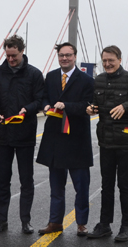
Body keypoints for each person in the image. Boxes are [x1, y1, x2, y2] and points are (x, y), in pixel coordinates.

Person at [86, 45, 128, 242]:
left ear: (119, 60)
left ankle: (126, 227)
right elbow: (93, 102)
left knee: (123, 184)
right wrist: (90, 108)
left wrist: (126, 106)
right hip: (105, 141)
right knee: (106, 185)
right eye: (104, 61)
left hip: (126, 142)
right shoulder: (98, 80)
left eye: (111, 61)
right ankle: (104, 225)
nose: (107, 64)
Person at [0, 35, 45, 234]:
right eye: (8, 55)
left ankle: (25, 221)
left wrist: (26, 109)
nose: (11, 59)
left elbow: (40, 100)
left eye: (14, 56)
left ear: (22, 51)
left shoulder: (34, 74)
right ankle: (1, 221)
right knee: (2, 180)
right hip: (4, 134)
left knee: (26, 180)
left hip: (25, 134)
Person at [36, 42, 94, 236]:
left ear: (75, 56)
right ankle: (55, 222)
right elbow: (44, 97)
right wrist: (45, 106)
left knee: (81, 187)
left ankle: (82, 224)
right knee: (56, 187)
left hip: (77, 140)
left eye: (68, 55)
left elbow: (88, 106)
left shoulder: (86, 80)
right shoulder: (51, 77)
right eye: (61, 55)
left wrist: (65, 105)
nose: (65, 58)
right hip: (55, 140)